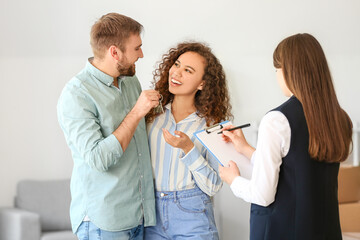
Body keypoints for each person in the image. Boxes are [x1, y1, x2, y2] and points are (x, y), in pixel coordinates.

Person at [219, 33, 353, 240]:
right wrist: (245, 148)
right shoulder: (339, 118)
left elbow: (262, 195)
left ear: (289, 71)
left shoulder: (277, 120)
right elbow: (295, 169)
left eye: (277, 69)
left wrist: (233, 180)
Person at [57, 13, 160, 240]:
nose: (141, 55)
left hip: (139, 216)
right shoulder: (76, 94)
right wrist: (136, 113)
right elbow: (98, 159)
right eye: (137, 48)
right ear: (115, 52)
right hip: (104, 221)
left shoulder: (131, 81)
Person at [144, 42, 232, 239]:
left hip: (192, 215)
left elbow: (214, 186)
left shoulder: (212, 125)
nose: (177, 73)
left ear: (202, 83)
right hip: (151, 216)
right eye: (176, 64)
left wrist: (189, 149)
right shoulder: (150, 115)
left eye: (188, 70)